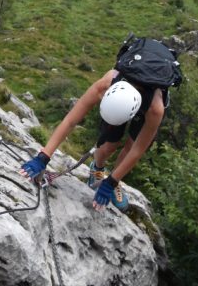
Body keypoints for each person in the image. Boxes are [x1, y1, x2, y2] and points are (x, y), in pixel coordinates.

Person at [21, 36, 181, 212]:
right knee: (108, 145)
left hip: (148, 98)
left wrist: (111, 183)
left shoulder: (155, 109)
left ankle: (115, 177)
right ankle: (97, 168)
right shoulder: (106, 84)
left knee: (130, 145)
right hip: (124, 94)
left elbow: (137, 150)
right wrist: (43, 156)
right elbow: (71, 120)